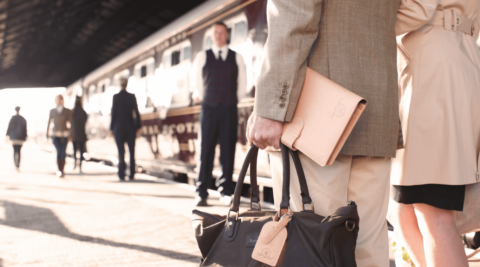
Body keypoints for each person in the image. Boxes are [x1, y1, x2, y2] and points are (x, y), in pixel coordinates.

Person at [246, 1, 400, 266]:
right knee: (367, 248)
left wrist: (272, 107)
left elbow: (294, 14)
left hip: (316, 115)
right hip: (377, 105)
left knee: (312, 247)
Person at [388, 1, 480, 267]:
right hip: (451, 55)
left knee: (434, 211)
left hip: (431, 67)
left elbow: (419, 7)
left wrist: (364, 28)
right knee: (405, 210)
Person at [192, 21, 247, 207]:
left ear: (227, 35)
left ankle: (225, 191)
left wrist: (231, 100)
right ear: (212, 36)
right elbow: (198, 84)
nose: (218, 36)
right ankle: (201, 192)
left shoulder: (237, 58)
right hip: (208, 109)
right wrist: (207, 98)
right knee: (205, 150)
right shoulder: (202, 57)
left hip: (229, 109)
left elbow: (242, 84)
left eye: (222, 32)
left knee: (227, 151)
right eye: (215, 33)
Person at [110, 78, 142, 181]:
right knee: (132, 151)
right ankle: (132, 174)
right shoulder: (132, 97)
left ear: (120, 85)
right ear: (127, 84)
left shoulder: (116, 97)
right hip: (130, 127)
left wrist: (111, 128)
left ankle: (121, 174)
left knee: (121, 152)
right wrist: (138, 126)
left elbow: (113, 113)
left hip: (118, 127)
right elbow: (136, 112)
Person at [46, 94, 72, 178]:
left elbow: (71, 124)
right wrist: (47, 134)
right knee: (58, 152)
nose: (59, 101)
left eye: (60, 99)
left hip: (64, 135)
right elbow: (49, 123)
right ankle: (59, 170)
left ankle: (62, 170)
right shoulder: (52, 111)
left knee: (63, 152)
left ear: (63, 100)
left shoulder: (67, 111)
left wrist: (71, 135)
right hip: (55, 135)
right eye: (57, 99)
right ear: (55, 101)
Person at [6, 106, 27, 171]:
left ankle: (16, 164)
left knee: (15, 151)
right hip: (20, 138)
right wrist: (25, 137)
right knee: (19, 151)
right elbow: (25, 129)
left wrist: (7, 135)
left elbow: (9, 128)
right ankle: (18, 165)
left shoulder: (12, 118)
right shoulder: (23, 119)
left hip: (14, 138)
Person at [70, 96, 88, 174]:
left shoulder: (72, 112)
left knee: (74, 151)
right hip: (82, 134)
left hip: (74, 134)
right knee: (81, 151)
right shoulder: (83, 112)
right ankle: (80, 166)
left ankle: (75, 164)